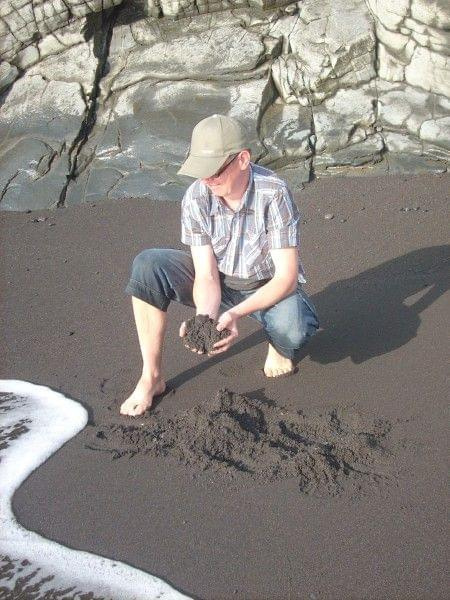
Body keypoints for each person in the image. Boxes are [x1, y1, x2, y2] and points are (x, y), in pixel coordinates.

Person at [120, 114, 319, 416]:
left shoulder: (273, 193)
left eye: (214, 172)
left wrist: (236, 314)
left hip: (266, 285)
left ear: (243, 159)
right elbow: (206, 274)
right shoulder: (197, 197)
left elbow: (287, 277)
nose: (207, 181)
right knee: (148, 265)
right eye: (201, 172)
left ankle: (278, 348)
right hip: (219, 279)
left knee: (294, 329)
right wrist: (206, 320)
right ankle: (152, 377)